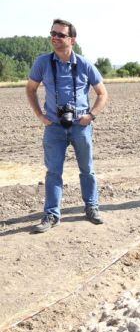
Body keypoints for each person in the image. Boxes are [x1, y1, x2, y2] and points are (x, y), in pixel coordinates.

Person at [26, 19, 109, 233]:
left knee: (87, 169)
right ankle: (52, 215)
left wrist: (91, 115)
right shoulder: (42, 62)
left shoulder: (84, 64)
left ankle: (92, 207)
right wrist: (40, 115)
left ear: (72, 39)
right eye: (52, 33)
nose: (55, 37)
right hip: (54, 127)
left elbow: (102, 93)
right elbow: (30, 89)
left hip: (81, 126)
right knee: (53, 172)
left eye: (60, 34)